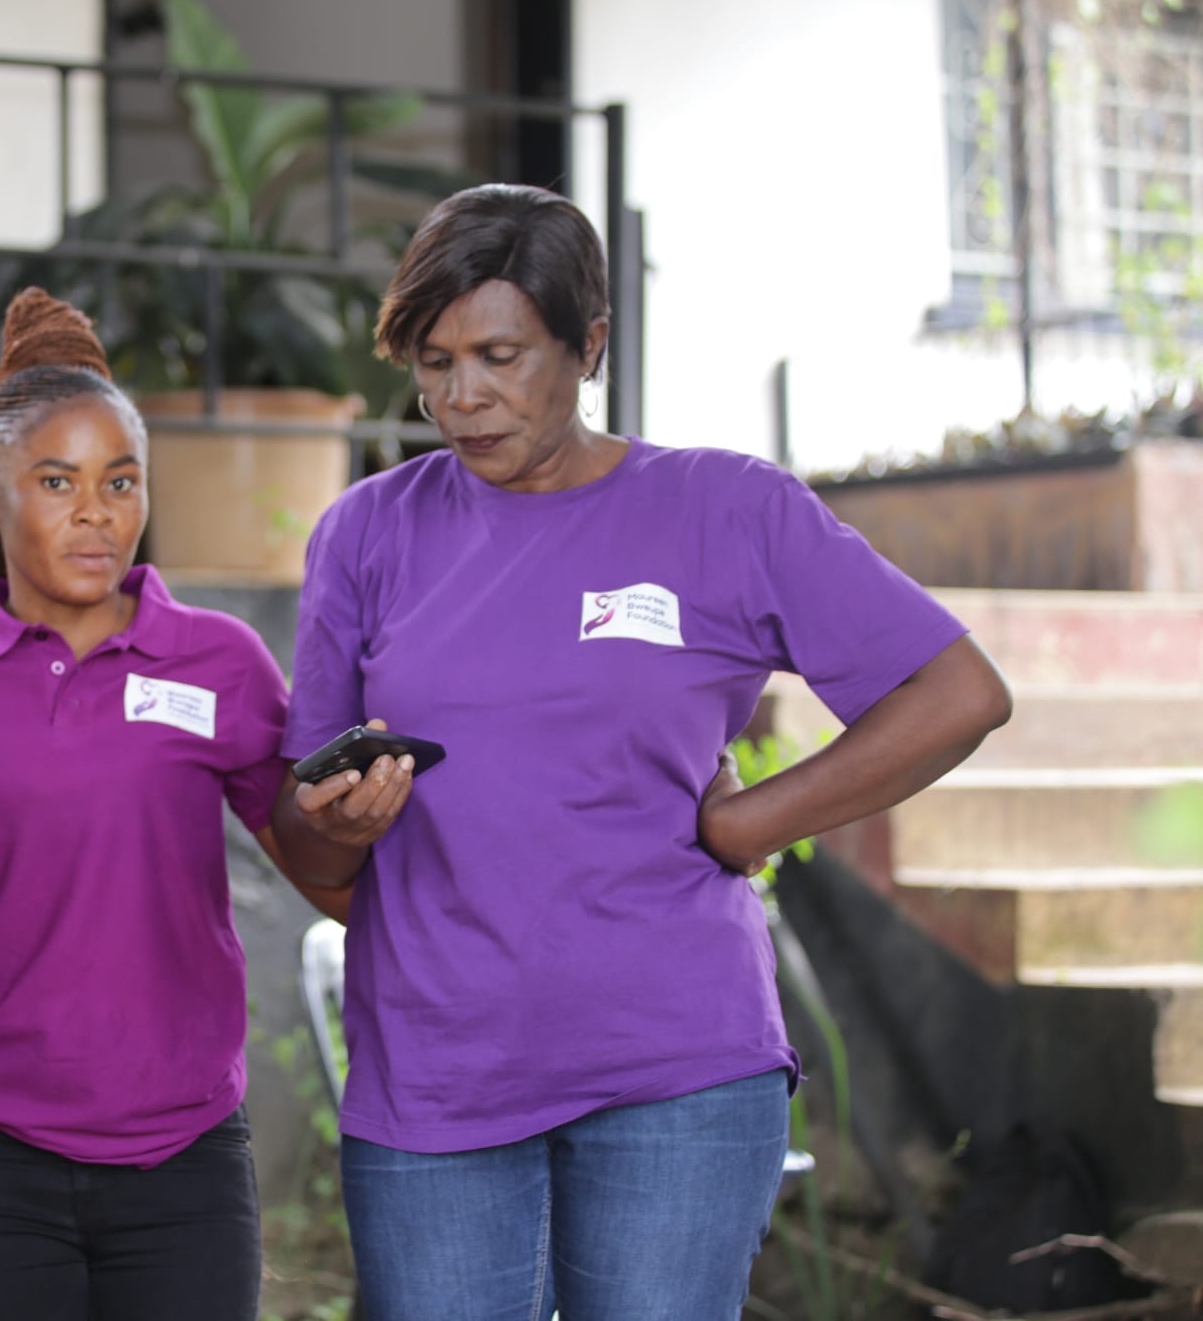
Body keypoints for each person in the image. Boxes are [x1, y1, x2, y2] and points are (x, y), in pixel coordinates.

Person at [269, 184, 1014, 1321]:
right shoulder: (367, 532)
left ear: (588, 346)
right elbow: (306, 842)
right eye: (431, 362)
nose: (460, 398)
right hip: (434, 1065)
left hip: (674, 1067)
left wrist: (748, 822)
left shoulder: (725, 511)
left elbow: (955, 693)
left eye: (499, 355)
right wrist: (332, 829)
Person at [0, 288, 348, 1321]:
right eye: (56, 481)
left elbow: (322, 873)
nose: (95, 512)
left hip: (186, 1166)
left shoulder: (220, 660)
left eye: (120, 482)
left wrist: (355, 820)